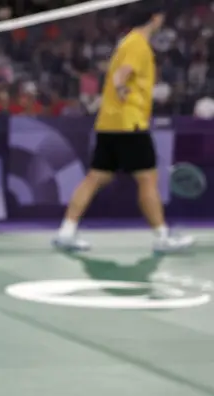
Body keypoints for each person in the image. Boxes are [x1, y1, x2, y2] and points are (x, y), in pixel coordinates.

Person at [53, 5, 194, 254]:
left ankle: (66, 232)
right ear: (155, 17)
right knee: (147, 180)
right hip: (130, 124)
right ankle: (162, 236)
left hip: (109, 122)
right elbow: (121, 75)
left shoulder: (126, 41)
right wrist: (120, 88)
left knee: (96, 177)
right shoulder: (138, 44)